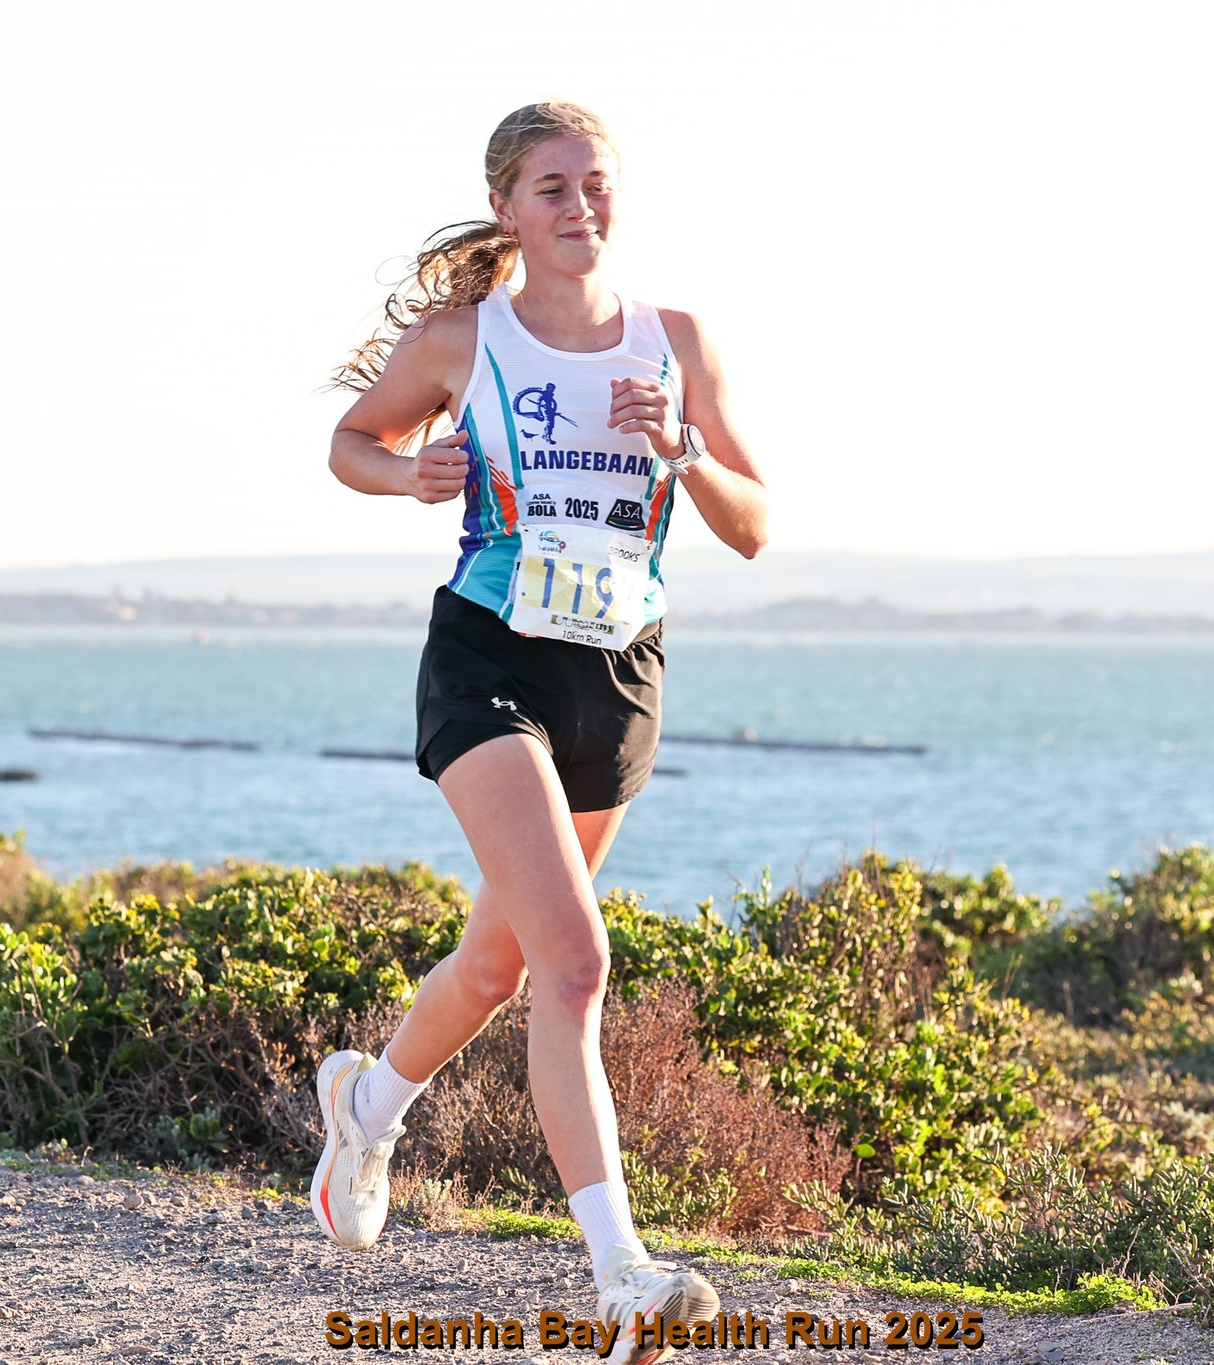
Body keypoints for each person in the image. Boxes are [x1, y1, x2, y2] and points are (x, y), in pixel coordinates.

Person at [314, 101, 767, 1362]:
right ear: (507, 207)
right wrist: (406, 475)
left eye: (596, 183)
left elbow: (753, 524)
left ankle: (366, 1105)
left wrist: (679, 450)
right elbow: (351, 442)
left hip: (616, 677)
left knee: (499, 965)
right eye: (552, 187)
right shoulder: (466, 338)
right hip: (488, 659)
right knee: (574, 964)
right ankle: (621, 1274)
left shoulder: (677, 342)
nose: (580, 207)